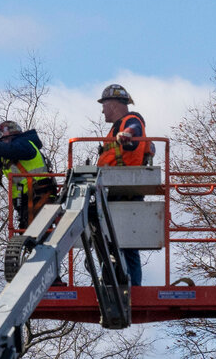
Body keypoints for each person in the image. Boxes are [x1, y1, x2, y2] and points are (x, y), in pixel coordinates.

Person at [96, 83, 153, 286]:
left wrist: (126, 134)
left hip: (123, 189)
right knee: (121, 242)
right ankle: (118, 281)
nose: (102, 109)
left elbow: (134, 129)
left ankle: (128, 285)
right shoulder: (116, 127)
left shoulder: (131, 120)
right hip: (115, 188)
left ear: (113, 104)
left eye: (104, 104)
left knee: (124, 243)